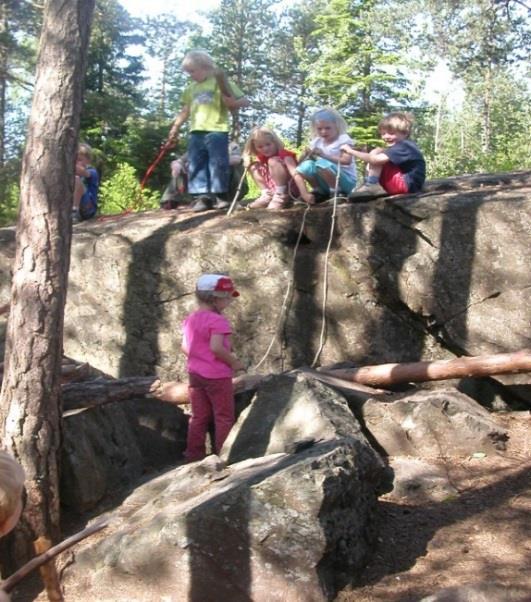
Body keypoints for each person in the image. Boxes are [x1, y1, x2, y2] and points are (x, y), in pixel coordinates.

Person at [167, 50, 249, 213]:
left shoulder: (220, 82)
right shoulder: (191, 88)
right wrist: (175, 127)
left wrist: (232, 102)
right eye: (188, 72)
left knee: (217, 162)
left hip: (217, 129)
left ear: (206, 68)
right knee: (197, 163)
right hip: (196, 131)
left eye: (192, 71)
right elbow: (186, 110)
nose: (190, 75)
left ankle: (220, 196)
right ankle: (203, 197)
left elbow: (245, 101)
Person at [181, 273, 244, 462]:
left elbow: (184, 347)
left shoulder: (191, 319)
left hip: (195, 374)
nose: (230, 302)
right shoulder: (218, 321)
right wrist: (234, 362)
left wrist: (199, 359)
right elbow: (216, 348)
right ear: (215, 299)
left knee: (199, 416)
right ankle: (224, 455)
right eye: (227, 298)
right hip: (217, 376)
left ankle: (193, 454)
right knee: (223, 416)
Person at [342, 112, 426, 200]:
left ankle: (372, 184)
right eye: (383, 134)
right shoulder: (404, 146)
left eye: (391, 133)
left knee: (377, 156)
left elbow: (375, 160)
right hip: (407, 186)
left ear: (405, 133)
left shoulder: (405, 146)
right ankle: (370, 183)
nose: (386, 137)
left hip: (405, 185)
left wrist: (350, 151)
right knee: (377, 152)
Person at [293, 108, 357, 205]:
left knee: (321, 163)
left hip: (345, 180)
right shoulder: (316, 142)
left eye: (328, 128)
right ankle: (318, 191)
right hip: (325, 182)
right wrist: (306, 154)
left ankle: (336, 193)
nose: (323, 132)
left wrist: (323, 155)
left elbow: (346, 161)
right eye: (319, 129)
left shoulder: (343, 139)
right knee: (307, 165)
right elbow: (302, 167)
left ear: (336, 126)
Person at [243, 126, 300, 210]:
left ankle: (280, 196)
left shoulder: (285, 155)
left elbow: (296, 173)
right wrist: (246, 158)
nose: (265, 149)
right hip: (272, 190)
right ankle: (266, 194)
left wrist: (303, 193)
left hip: (289, 190)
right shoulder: (262, 158)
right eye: (260, 147)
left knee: (272, 161)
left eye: (268, 144)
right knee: (253, 166)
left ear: (275, 142)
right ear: (255, 147)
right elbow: (247, 153)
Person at [73, 143, 99, 223]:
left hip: (88, 208)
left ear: (88, 160)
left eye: (79, 160)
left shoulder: (92, 171)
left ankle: (74, 211)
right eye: (74, 160)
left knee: (76, 180)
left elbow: (83, 172)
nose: (76, 162)